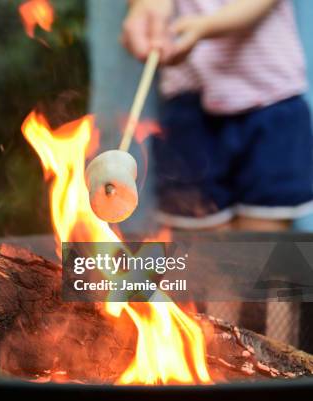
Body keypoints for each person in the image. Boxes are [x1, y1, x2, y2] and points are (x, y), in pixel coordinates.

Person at [122, 0, 313, 231]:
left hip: (270, 100)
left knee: (263, 246)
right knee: (205, 252)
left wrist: (205, 26)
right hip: (189, 105)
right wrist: (147, 10)